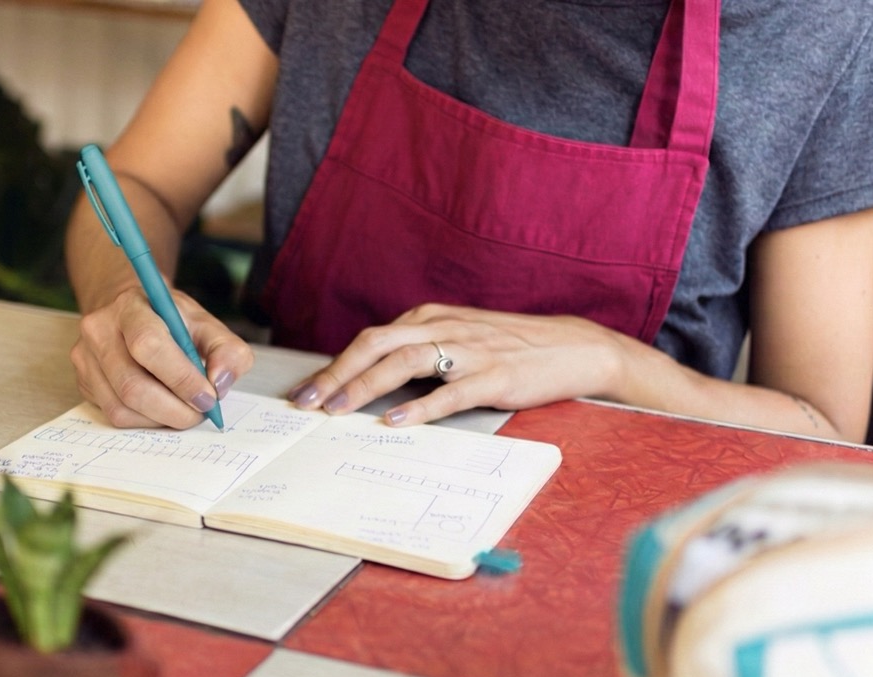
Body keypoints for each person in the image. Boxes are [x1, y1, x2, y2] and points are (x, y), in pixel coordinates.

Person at [65, 0, 873, 444]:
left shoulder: (820, 30)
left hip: (601, 548)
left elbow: (821, 426)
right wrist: (119, 299)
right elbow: (139, 182)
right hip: (277, 456)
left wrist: (608, 364)